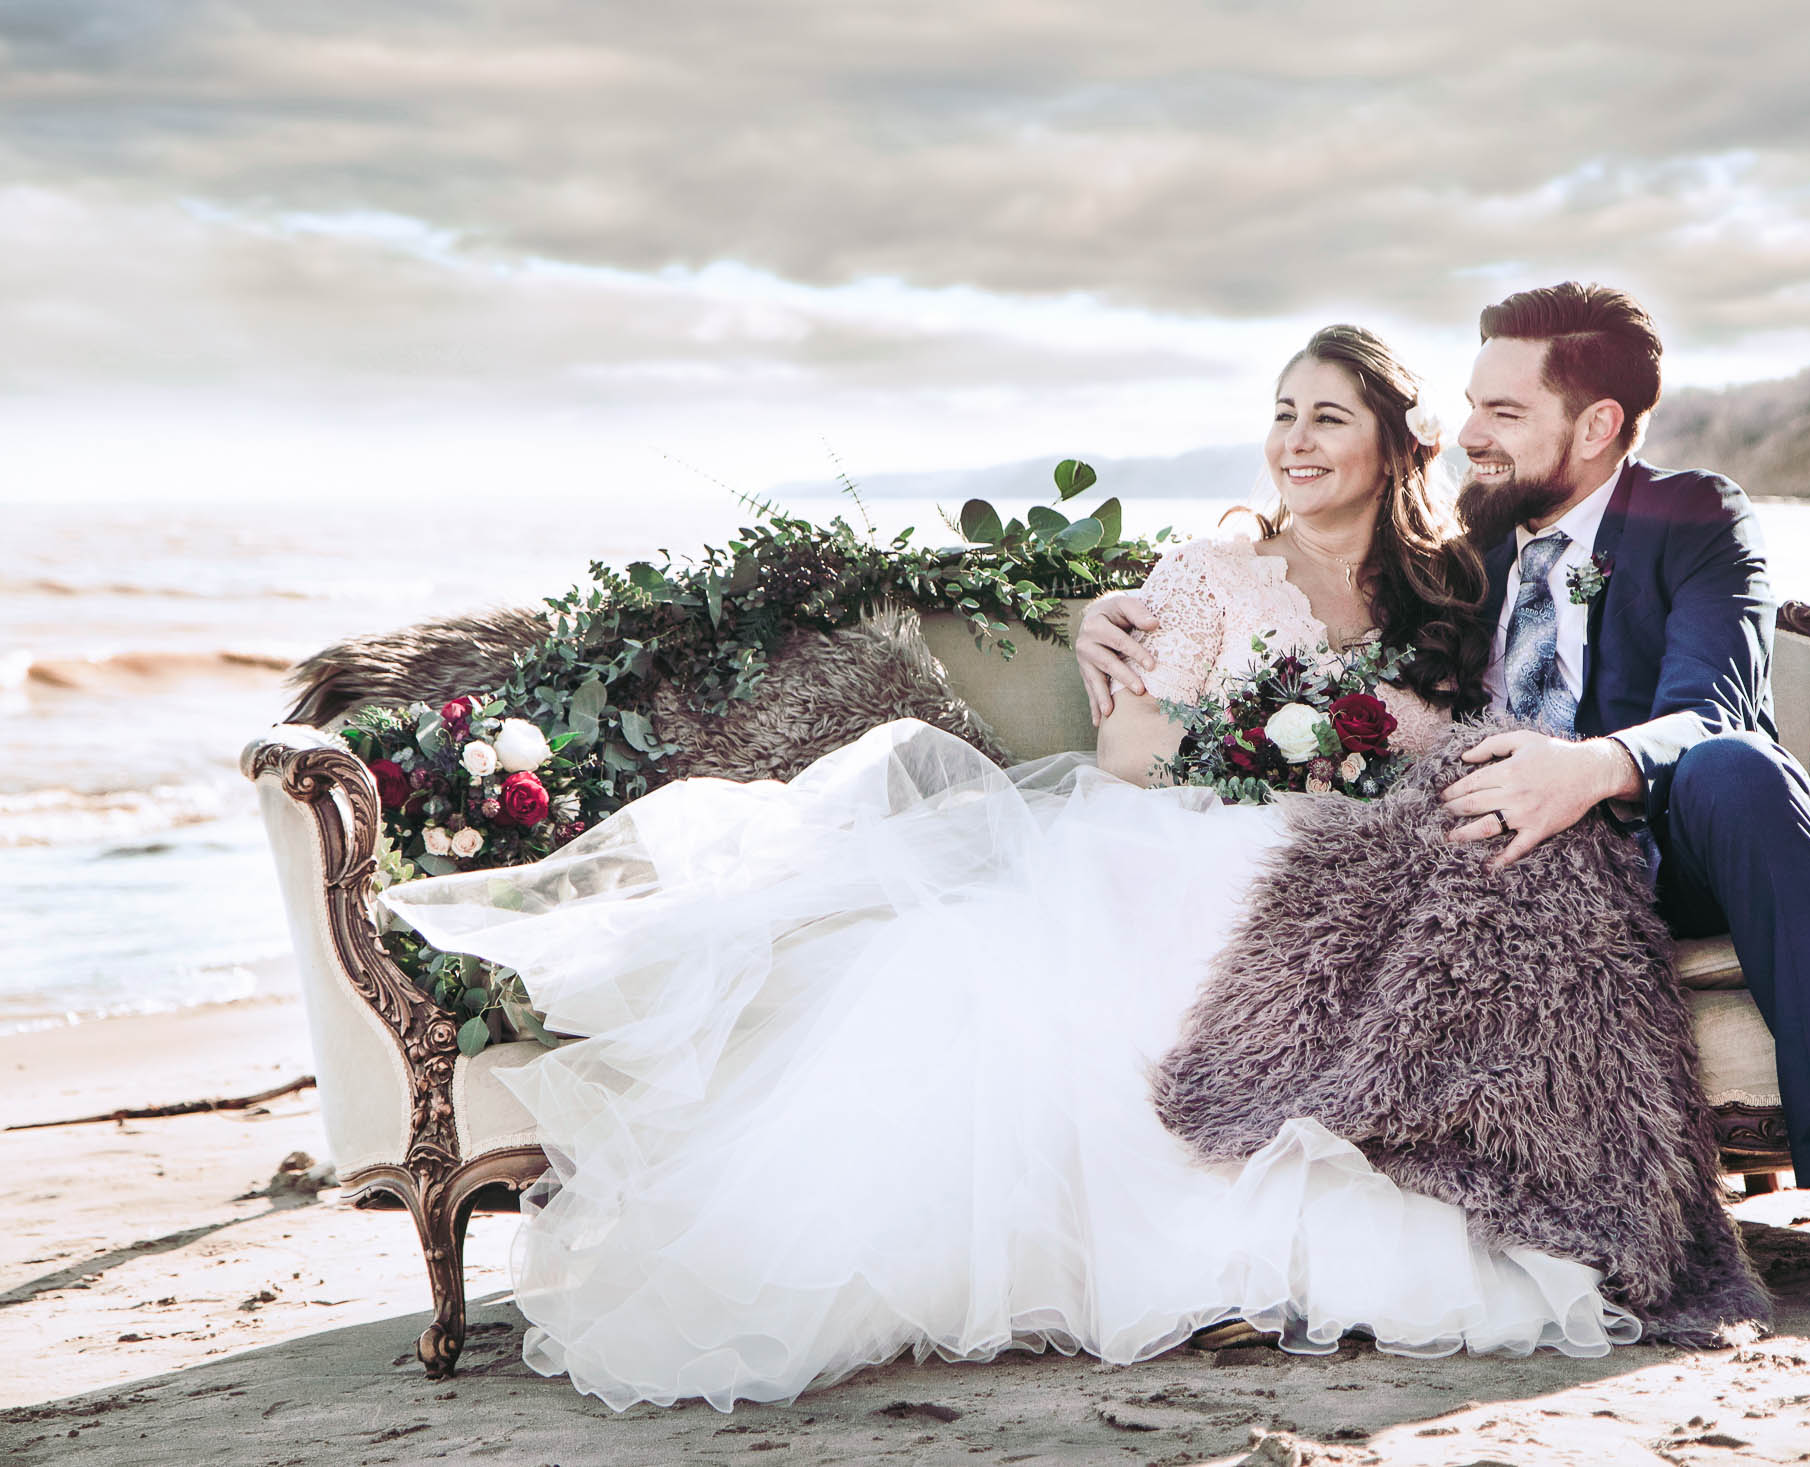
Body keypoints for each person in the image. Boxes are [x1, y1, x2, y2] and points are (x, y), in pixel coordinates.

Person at [381, 325, 1644, 1413]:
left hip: (1364, 850)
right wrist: (1275, 748)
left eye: (1327, 417)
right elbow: (1134, 754)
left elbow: (1495, 725)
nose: (1294, 442)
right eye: (1281, 415)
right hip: (1192, 820)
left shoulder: (1453, 586)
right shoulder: (1207, 574)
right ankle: (1194, 1261)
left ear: (1397, 444)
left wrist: (1371, 773)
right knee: (1190, 894)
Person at [1078, 284, 1810, 1322]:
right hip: (1505, 864)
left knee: (1739, 767)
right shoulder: (1458, 555)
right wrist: (1113, 612)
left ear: (1596, 424)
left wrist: (1588, 771)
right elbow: (1318, 617)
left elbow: (1712, 709)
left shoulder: (1692, 515)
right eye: (1470, 406)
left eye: (1503, 412)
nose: (1470, 437)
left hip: (1676, 842)